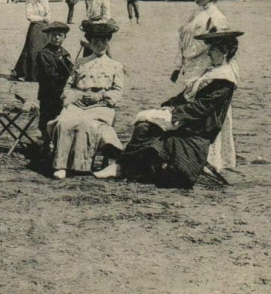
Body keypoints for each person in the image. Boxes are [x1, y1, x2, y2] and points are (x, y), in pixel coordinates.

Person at [95, 30, 242, 189]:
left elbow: (201, 108)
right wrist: (171, 104)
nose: (209, 54)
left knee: (149, 130)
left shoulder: (224, 79)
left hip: (198, 129)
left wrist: (173, 113)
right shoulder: (213, 71)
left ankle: (123, 166)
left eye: (213, 50)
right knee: (145, 125)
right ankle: (123, 166)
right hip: (189, 121)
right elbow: (187, 95)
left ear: (224, 51)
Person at [171, 0, 235, 172]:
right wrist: (177, 66)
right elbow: (183, 41)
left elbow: (220, 47)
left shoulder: (217, 17)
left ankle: (211, 159)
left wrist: (211, 72)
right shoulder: (195, 14)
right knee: (187, 108)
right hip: (189, 68)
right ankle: (189, 153)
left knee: (207, 111)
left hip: (204, 68)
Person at [48, 20, 124, 180]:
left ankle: (82, 166)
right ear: (90, 42)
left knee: (88, 124)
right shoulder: (81, 63)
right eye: (95, 41)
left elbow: (117, 91)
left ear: (108, 42)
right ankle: (61, 166)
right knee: (64, 122)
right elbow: (67, 88)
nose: (100, 45)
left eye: (103, 41)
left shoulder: (115, 65)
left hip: (101, 106)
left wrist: (100, 96)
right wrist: (77, 96)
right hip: (77, 104)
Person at [34, 22, 73, 156]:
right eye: (53, 35)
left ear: (64, 37)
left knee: (61, 119)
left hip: (63, 94)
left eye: (59, 35)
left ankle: (60, 146)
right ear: (48, 36)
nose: (56, 38)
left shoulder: (65, 53)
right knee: (48, 120)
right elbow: (50, 75)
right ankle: (46, 147)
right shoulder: (43, 54)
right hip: (49, 94)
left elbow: (71, 73)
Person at [10, 0, 52, 82]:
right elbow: (29, 16)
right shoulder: (30, 0)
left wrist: (48, 19)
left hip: (45, 27)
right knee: (32, 50)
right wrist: (42, 18)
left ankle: (42, 74)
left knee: (45, 49)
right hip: (36, 27)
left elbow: (48, 12)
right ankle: (26, 74)